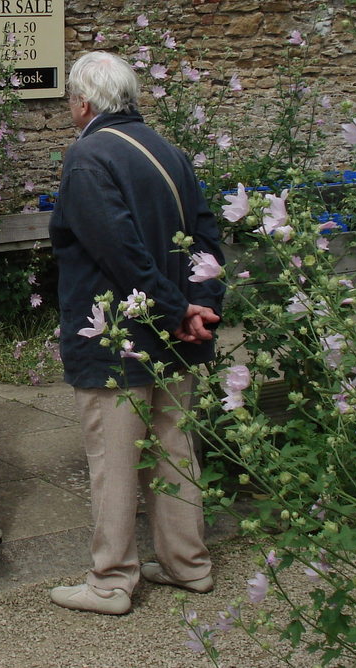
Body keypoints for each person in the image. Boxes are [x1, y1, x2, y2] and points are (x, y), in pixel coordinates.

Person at [48, 51, 225, 615]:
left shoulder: (87, 157)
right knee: (174, 449)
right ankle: (187, 564)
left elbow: (118, 251)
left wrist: (174, 310)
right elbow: (205, 238)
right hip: (177, 332)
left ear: (83, 103)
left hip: (116, 336)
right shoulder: (170, 152)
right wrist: (199, 308)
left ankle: (111, 582)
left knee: (116, 458)